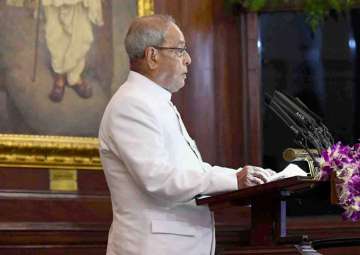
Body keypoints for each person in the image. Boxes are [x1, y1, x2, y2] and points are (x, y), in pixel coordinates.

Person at [98, 14, 275, 255]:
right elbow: (158, 179)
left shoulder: (155, 101)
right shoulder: (131, 105)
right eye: (180, 50)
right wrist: (234, 180)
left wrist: (241, 176)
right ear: (152, 56)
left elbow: (192, 171)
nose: (189, 59)